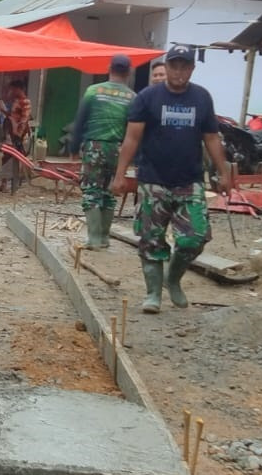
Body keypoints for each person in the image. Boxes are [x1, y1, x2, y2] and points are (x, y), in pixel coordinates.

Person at [112, 45, 233, 314]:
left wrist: (223, 173)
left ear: (192, 69)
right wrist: (120, 174)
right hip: (152, 180)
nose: (179, 72)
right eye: (174, 66)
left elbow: (211, 138)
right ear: (165, 68)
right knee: (151, 239)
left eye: (184, 66)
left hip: (189, 181)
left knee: (195, 238)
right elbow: (132, 138)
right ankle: (153, 293)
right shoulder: (147, 97)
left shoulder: (202, 97)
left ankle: (173, 279)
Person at [70, 54, 136, 249]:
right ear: (129, 72)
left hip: (95, 147)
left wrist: (74, 147)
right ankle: (105, 238)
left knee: (92, 192)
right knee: (109, 192)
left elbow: (80, 121)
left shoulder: (93, 91)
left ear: (109, 68)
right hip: (119, 150)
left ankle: (94, 239)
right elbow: (134, 129)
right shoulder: (133, 97)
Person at [0, 80, 32, 191]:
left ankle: (13, 184)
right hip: (12, 133)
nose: (11, 91)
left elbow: (24, 120)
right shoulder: (16, 101)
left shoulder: (25, 102)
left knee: (14, 158)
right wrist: (2, 110)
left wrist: (18, 136)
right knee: (6, 157)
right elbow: (12, 116)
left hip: (18, 135)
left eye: (13, 89)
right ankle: (4, 184)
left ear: (19, 89)